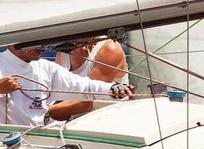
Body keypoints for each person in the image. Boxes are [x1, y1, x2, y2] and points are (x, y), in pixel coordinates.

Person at [0, 45, 132, 128]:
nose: (44, 47)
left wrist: (111, 89)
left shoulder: (46, 67)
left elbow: (84, 87)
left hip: (37, 140)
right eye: (37, 43)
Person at [48, 37, 130, 121]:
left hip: (106, 119)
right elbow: (57, 93)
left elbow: (86, 103)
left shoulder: (109, 48)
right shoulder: (64, 49)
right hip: (70, 119)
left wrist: (45, 113)